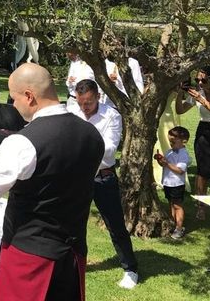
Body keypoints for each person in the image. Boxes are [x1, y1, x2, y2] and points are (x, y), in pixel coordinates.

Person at [0, 63, 104, 301]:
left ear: (29, 96)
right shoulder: (92, 135)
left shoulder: (23, 143)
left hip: (30, 256)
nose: (13, 106)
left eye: (14, 99)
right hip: (72, 253)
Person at [69, 79, 139, 289]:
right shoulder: (72, 112)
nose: (85, 107)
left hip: (103, 176)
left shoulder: (111, 115)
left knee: (115, 224)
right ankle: (73, 264)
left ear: (97, 96)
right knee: (72, 222)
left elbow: (109, 148)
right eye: (81, 103)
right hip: (77, 176)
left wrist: (79, 146)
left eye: (88, 102)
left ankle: (131, 269)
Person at [176, 65, 210, 221]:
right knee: (202, 171)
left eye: (203, 79)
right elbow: (180, 110)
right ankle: (201, 207)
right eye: (197, 79)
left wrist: (202, 100)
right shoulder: (197, 93)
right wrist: (180, 93)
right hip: (205, 132)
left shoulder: (204, 95)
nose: (199, 82)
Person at [155, 126, 191, 239]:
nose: (171, 143)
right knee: (171, 203)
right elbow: (164, 164)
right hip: (168, 183)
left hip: (177, 184)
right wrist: (160, 160)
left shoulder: (183, 154)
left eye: (173, 141)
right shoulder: (169, 152)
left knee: (177, 205)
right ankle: (174, 223)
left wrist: (166, 164)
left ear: (183, 141)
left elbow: (180, 170)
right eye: (170, 141)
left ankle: (179, 228)